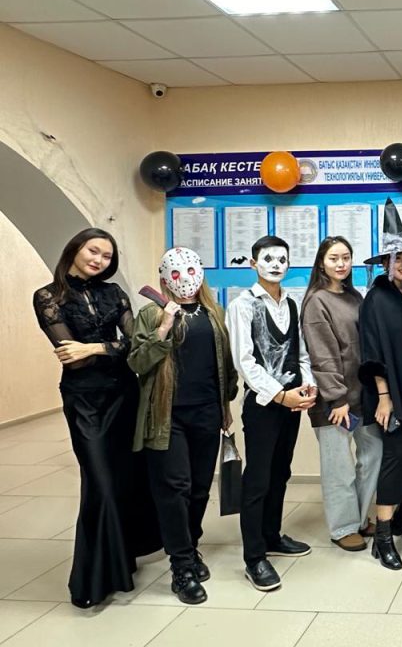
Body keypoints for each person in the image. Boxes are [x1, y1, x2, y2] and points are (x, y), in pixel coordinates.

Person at [32, 228, 161, 608]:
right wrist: (108, 348)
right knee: (100, 483)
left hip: (125, 396)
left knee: (125, 480)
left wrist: (93, 347)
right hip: (85, 401)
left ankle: (123, 560)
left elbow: (137, 344)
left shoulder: (114, 292)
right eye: (93, 251)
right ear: (75, 249)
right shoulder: (48, 297)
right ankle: (93, 579)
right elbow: (75, 359)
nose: (99, 260)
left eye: (106, 256)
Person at [129, 247, 237, 605]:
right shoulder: (150, 313)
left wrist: (225, 404)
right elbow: (137, 362)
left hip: (207, 412)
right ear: (164, 279)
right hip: (167, 415)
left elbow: (224, 363)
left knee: (199, 489)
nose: (185, 280)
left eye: (191, 271)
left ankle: (190, 546)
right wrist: (164, 326)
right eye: (175, 274)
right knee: (175, 489)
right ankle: (182, 566)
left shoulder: (213, 312)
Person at [227, 235, 317, 592]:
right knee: (258, 478)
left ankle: (271, 536)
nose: (276, 265)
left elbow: (301, 354)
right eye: (268, 259)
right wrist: (280, 395)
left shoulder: (291, 303)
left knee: (281, 471)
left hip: (292, 402)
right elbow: (244, 362)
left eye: (282, 259)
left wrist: (307, 386)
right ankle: (254, 557)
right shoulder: (243, 305)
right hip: (264, 404)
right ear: (253, 263)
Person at [301, 236, 383, 552]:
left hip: (361, 396)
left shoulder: (353, 297)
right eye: (334, 258)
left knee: (373, 454)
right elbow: (322, 354)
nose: (341, 264)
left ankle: (359, 519)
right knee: (339, 468)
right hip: (334, 402)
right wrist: (337, 398)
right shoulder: (316, 301)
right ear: (322, 263)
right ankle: (343, 527)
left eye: (346, 257)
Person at [359, 199, 402, 570]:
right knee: (394, 459)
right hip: (391, 392)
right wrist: (384, 397)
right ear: (385, 262)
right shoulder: (376, 298)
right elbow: (371, 351)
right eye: (397, 258)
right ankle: (382, 537)